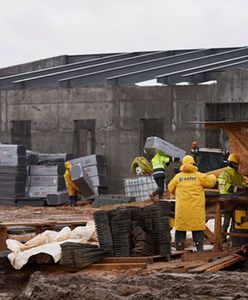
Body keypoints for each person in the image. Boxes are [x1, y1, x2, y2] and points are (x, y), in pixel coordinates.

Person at [168, 155, 216, 252]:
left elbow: (170, 188)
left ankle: (179, 249)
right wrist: (213, 175)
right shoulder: (198, 176)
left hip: (182, 210)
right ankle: (199, 250)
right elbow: (211, 182)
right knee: (197, 228)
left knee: (181, 229)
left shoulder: (178, 177)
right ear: (193, 163)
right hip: (196, 210)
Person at [218, 153, 247, 240]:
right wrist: (238, 189)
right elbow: (226, 186)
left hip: (236, 201)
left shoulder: (238, 176)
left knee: (235, 220)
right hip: (227, 201)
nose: (236, 166)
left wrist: (244, 189)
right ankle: (222, 239)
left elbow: (243, 185)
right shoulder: (224, 173)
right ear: (230, 163)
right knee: (227, 220)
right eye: (235, 164)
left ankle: (232, 238)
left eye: (237, 164)